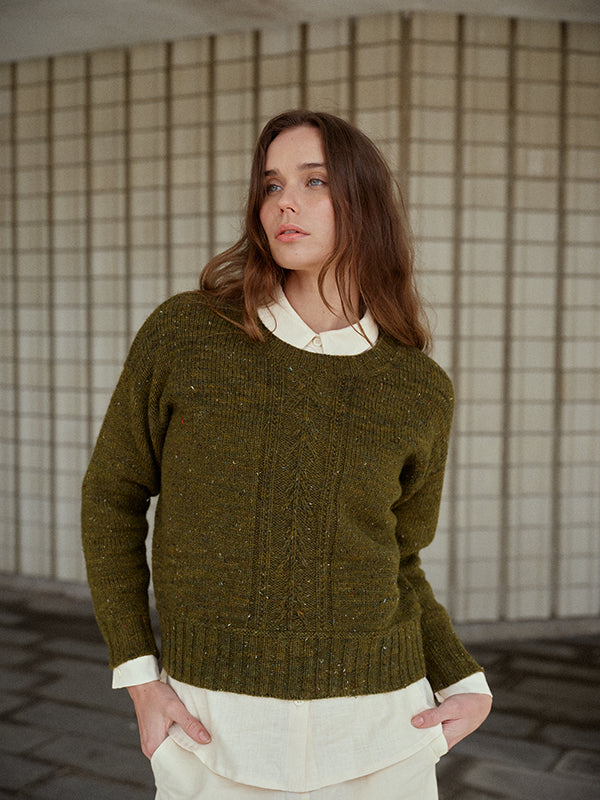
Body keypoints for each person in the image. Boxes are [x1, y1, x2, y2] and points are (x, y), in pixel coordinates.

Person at [82, 109, 492, 799]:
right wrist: (139, 675)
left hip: (381, 728)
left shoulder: (418, 388)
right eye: (271, 185)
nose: (284, 203)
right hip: (214, 728)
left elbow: (399, 558)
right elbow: (111, 497)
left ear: (365, 204)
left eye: (314, 181)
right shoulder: (188, 335)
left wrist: (466, 681)